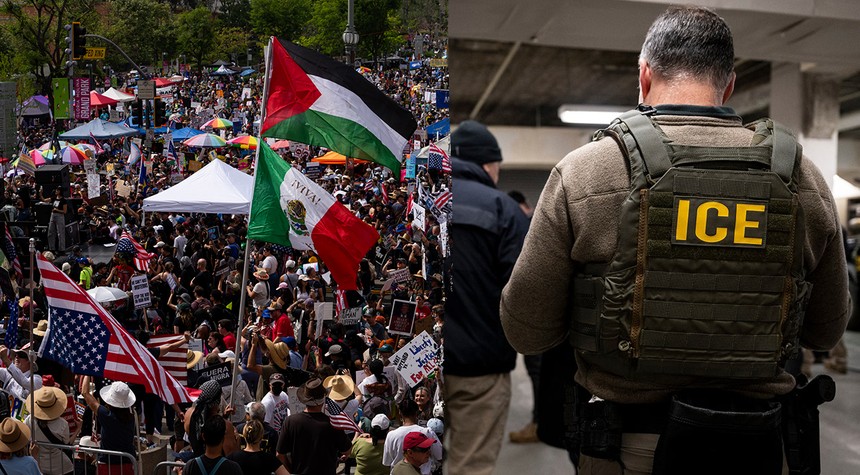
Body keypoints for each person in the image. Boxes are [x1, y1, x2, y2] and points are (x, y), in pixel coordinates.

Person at [500, 6, 850, 475]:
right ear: (728, 85)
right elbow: (826, 331)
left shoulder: (586, 171)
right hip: (759, 448)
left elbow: (527, 329)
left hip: (628, 447)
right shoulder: (801, 177)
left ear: (644, 76)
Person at [443, 119, 529, 475]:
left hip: (418, 366)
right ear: (488, 164)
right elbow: (524, 288)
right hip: (480, 368)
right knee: (471, 465)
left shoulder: (424, 199)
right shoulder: (504, 210)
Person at [276, 378, 351, 475]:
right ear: (323, 399)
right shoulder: (333, 423)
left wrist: (290, 471)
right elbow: (347, 450)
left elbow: (279, 455)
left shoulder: (290, 421)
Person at [80, 377, 137, 475]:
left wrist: (87, 374)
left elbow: (85, 393)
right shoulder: (131, 416)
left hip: (108, 465)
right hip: (128, 463)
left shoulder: (107, 416)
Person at [382, 399, 442, 475]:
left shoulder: (391, 435)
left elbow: (387, 463)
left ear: (400, 413)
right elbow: (440, 456)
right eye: (424, 450)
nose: (428, 453)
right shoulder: (427, 432)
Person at [25, 385, 74, 475]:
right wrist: (78, 429)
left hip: (40, 466)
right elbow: (66, 443)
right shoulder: (62, 424)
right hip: (61, 467)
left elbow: (26, 438)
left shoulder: (29, 420)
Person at [46, 187, 67, 252]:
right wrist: (40, 194)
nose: (56, 191)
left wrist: (57, 210)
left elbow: (65, 211)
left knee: (60, 233)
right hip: (53, 215)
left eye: (57, 190)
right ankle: (52, 248)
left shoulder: (63, 200)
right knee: (50, 232)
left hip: (60, 215)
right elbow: (44, 200)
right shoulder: (54, 198)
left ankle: (62, 249)